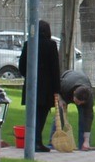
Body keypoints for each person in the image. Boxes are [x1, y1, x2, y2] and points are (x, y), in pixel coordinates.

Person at [20, 22, 63, 151]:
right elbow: (55, 69)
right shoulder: (51, 45)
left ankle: (33, 141)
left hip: (31, 85)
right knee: (42, 114)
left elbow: (22, 66)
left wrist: (29, 75)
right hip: (46, 87)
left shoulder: (28, 44)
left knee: (32, 114)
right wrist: (57, 89)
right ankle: (37, 142)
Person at [59, 66, 95, 147]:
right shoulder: (65, 84)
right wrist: (60, 99)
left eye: (80, 103)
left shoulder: (89, 98)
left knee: (84, 119)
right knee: (59, 117)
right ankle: (53, 143)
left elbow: (88, 118)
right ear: (74, 93)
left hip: (82, 80)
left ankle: (84, 145)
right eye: (77, 102)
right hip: (67, 82)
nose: (78, 104)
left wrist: (86, 140)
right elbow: (55, 88)